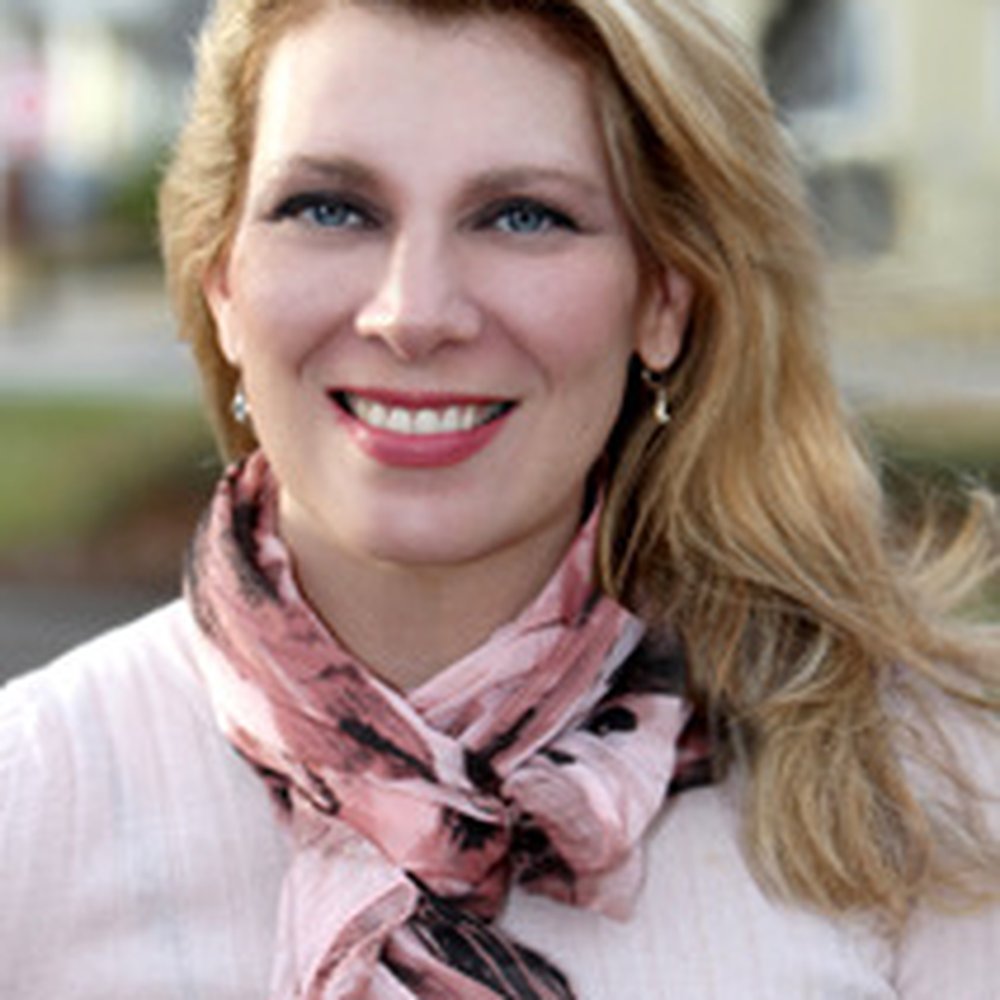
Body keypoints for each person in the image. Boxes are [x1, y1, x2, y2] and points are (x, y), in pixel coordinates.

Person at [2, 0, 998, 996]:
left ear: (663, 298)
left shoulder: (941, 797)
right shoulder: (30, 807)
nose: (413, 314)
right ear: (222, 281)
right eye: (330, 209)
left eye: (524, 216)